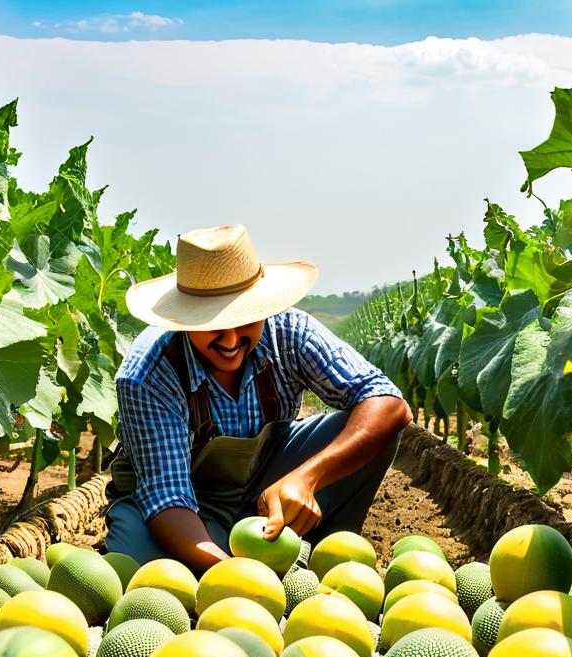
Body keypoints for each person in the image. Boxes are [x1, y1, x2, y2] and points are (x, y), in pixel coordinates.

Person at [106, 223, 411, 573]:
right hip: (186, 505)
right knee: (142, 565)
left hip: (268, 482)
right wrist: (235, 575)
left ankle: (323, 554)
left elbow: (388, 403)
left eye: (246, 318)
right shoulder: (148, 373)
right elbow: (166, 498)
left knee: (372, 426)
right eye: (212, 322)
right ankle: (253, 556)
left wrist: (306, 478)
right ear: (185, 318)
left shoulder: (290, 332)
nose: (232, 339)